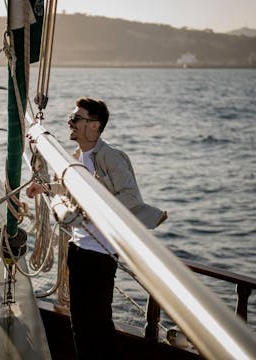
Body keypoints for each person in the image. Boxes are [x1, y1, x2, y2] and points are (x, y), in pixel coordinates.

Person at [26, 97, 166, 359]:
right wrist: (45, 187)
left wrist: (91, 212)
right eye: (72, 117)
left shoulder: (110, 157)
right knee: (79, 323)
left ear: (95, 126)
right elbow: (71, 190)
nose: (71, 122)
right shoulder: (77, 158)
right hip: (78, 247)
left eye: (77, 118)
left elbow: (131, 198)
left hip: (101, 254)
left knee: (99, 324)